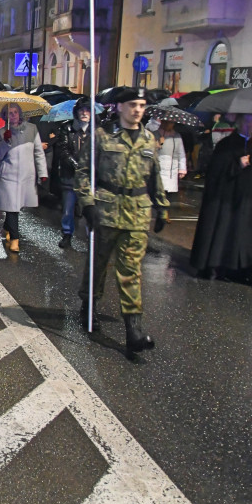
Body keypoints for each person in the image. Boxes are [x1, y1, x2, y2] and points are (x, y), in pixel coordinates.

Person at [76, 88, 168, 354]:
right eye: (132, 105)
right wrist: (88, 203)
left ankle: (133, 330)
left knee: (131, 272)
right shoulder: (102, 137)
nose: (138, 110)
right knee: (98, 265)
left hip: (137, 213)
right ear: (119, 107)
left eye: (141, 105)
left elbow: (155, 177)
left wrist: (161, 207)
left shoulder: (150, 140)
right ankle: (88, 306)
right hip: (106, 210)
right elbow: (84, 172)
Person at [190, 113, 252, 286]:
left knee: (247, 234)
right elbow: (215, 175)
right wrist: (236, 166)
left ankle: (247, 267)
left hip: (249, 202)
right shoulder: (226, 145)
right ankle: (218, 265)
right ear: (240, 122)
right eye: (249, 122)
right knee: (225, 232)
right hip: (227, 201)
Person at [0, 103, 47, 252]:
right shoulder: (0, 132)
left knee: (16, 206)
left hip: (25, 175)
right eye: (10, 113)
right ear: (5, 116)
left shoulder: (32, 129)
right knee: (13, 207)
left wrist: (43, 173)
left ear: (20, 114)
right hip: (8, 175)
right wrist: (5, 142)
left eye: (15, 112)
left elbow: (38, 152)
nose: (13, 115)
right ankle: (15, 239)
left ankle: (7, 226)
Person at [54, 101, 90, 249]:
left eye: (87, 110)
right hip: (70, 176)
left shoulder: (96, 131)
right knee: (68, 209)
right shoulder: (67, 128)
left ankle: (91, 239)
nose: (84, 113)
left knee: (89, 208)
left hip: (89, 178)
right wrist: (77, 165)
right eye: (82, 110)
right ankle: (67, 235)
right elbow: (63, 150)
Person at [151, 118, 186, 196]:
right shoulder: (155, 134)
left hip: (172, 170)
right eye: (167, 122)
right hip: (159, 168)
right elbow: (149, 151)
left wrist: (182, 169)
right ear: (162, 122)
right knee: (158, 193)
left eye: (172, 122)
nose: (169, 125)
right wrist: (158, 144)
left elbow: (181, 153)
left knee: (169, 195)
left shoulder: (177, 136)